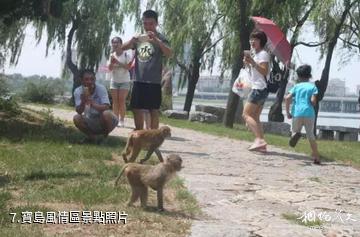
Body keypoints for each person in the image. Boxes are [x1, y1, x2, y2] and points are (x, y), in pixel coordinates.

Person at [121, 9, 172, 130]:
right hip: (138, 79)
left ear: (156, 23)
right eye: (145, 23)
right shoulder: (139, 37)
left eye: (151, 23)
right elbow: (123, 48)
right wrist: (132, 40)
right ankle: (139, 133)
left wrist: (157, 41)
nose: (148, 26)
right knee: (135, 107)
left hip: (153, 81)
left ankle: (153, 138)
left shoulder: (161, 38)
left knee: (153, 110)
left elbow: (169, 53)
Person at [285, 64, 320, 164]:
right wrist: (311, 100)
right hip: (309, 113)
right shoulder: (313, 87)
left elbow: (287, 98)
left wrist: (288, 112)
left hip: (297, 113)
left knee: (294, 131)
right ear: (309, 75)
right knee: (311, 135)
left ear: (298, 76)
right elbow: (313, 102)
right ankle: (316, 157)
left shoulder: (296, 86)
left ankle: (295, 134)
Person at [242, 30, 270, 152]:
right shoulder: (256, 54)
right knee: (256, 116)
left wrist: (252, 62)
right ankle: (262, 145)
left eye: (256, 39)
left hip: (258, 88)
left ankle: (259, 140)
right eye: (251, 39)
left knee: (246, 114)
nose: (252, 41)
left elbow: (265, 71)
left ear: (261, 41)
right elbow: (255, 73)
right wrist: (248, 64)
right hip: (260, 88)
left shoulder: (263, 54)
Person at [73, 69, 118, 142]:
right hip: (90, 118)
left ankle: (104, 137)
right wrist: (83, 102)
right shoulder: (78, 91)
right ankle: (92, 137)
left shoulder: (101, 88)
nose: (89, 82)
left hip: (104, 118)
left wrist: (92, 103)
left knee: (106, 114)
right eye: (86, 79)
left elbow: (106, 106)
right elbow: (79, 111)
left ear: (95, 79)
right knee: (76, 118)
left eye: (92, 79)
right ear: (81, 80)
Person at [107, 36, 132, 127]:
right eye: (113, 42)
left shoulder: (126, 55)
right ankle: (115, 119)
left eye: (117, 42)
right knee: (115, 101)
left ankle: (122, 120)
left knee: (121, 100)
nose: (115, 44)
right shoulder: (111, 55)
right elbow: (109, 68)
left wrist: (117, 62)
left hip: (125, 80)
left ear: (121, 44)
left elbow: (128, 67)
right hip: (114, 80)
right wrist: (112, 63)